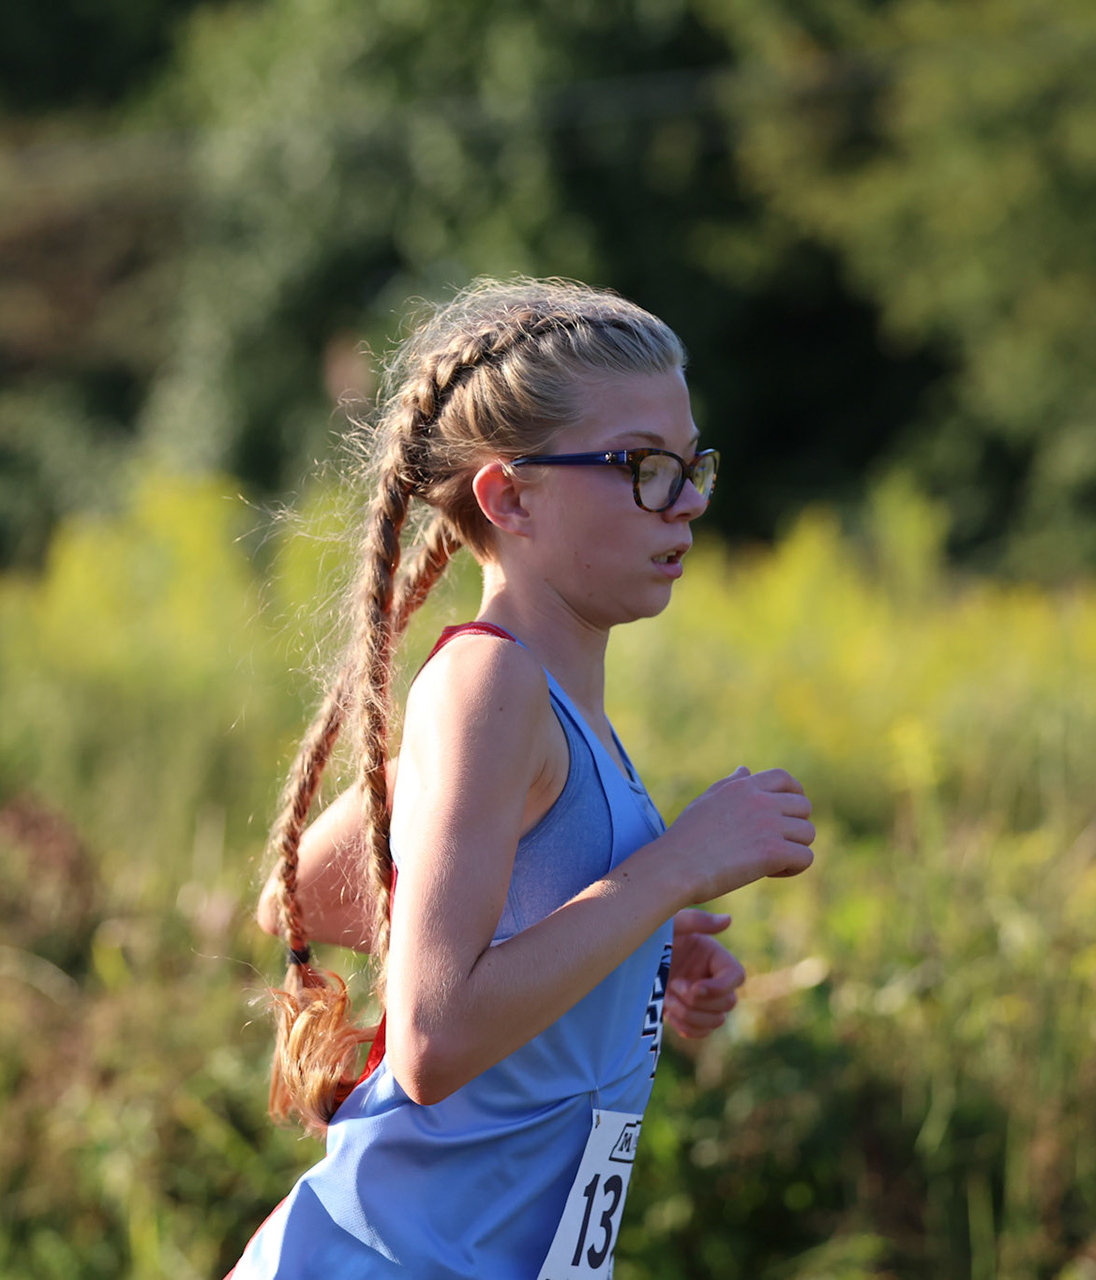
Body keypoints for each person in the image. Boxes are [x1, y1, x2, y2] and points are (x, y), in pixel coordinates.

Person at [229, 278, 817, 1278]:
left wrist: (631, 948)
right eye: (642, 466)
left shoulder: (541, 705)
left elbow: (316, 890)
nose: (686, 500)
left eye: (692, 465)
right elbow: (432, 1038)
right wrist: (670, 871)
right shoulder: (489, 683)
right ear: (509, 497)